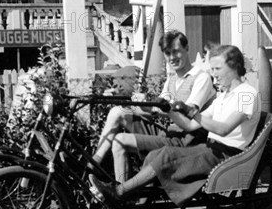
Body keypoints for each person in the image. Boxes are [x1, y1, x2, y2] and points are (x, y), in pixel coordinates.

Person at [89, 44, 260, 208]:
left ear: (234, 67)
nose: (214, 75)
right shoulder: (224, 96)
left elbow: (223, 129)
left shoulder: (246, 94)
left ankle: (118, 192)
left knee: (167, 154)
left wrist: (193, 112)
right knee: (156, 154)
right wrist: (169, 109)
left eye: (217, 69)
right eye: (212, 69)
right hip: (211, 149)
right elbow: (190, 126)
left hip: (227, 155)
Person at [90, 30, 217, 183]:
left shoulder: (201, 77)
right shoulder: (172, 79)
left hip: (187, 139)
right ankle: (95, 162)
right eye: (167, 53)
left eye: (176, 51)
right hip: (169, 132)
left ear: (187, 48)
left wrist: (156, 106)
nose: (172, 58)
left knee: (119, 140)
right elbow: (158, 110)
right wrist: (143, 104)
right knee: (118, 111)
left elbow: (187, 114)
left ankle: (121, 191)